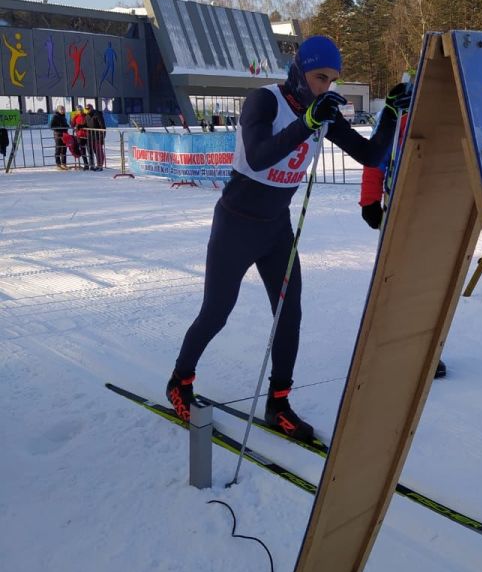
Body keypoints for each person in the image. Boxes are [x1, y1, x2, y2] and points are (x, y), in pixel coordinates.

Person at [166, 35, 412, 441]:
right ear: (299, 71)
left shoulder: (321, 111)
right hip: (237, 224)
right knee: (217, 311)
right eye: (320, 77)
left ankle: (278, 404)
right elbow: (260, 154)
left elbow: (369, 156)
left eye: (332, 80)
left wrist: (390, 114)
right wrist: (308, 123)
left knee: (289, 312)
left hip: (275, 228)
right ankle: (180, 381)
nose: (326, 87)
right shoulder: (264, 101)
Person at [359, 104, 447, 379]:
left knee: (429, 284)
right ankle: (383, 343)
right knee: (394, 278)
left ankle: (425, 347)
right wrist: (370, 201)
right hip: (399, 208)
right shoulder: (398, 116)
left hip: (437, 209)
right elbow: (375, 160)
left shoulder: (450, 114)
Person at [85, 103, 106, 170]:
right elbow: (86, 125)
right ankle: (93, 165)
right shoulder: (87, 116)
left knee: (98, 151)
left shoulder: (97, 114)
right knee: (92, 151)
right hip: (90, 136)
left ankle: (100, 165)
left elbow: (102, 126)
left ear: (92, 108)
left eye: (88, 108)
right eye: (86, 109)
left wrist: (102, 136)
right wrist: (80, 126)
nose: (87, 110)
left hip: (97, 136)